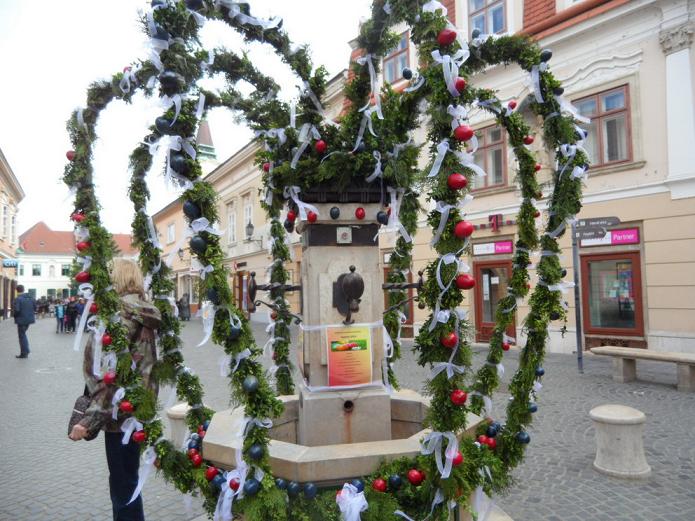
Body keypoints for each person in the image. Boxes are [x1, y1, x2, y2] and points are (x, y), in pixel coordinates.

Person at [68, 259, 161, 521]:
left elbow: (111, 376)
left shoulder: (121, 317)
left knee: (123, 486)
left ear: (117, 278)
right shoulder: (144, 312)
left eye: (109, 275)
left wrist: (88, 421)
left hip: (120, 414)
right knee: (127, 482)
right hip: (138, 411)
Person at [13, 285, 35, 358]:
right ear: (23, 289)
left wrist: (15, 316)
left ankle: (24, 352)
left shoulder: (18, 299)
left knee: (22, 336)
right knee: (23, 335)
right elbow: (35, 307)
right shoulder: (30, 298)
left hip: (21, 320)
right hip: (29, 319)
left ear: (17, 291)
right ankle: (26, 351)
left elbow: (17, 310)